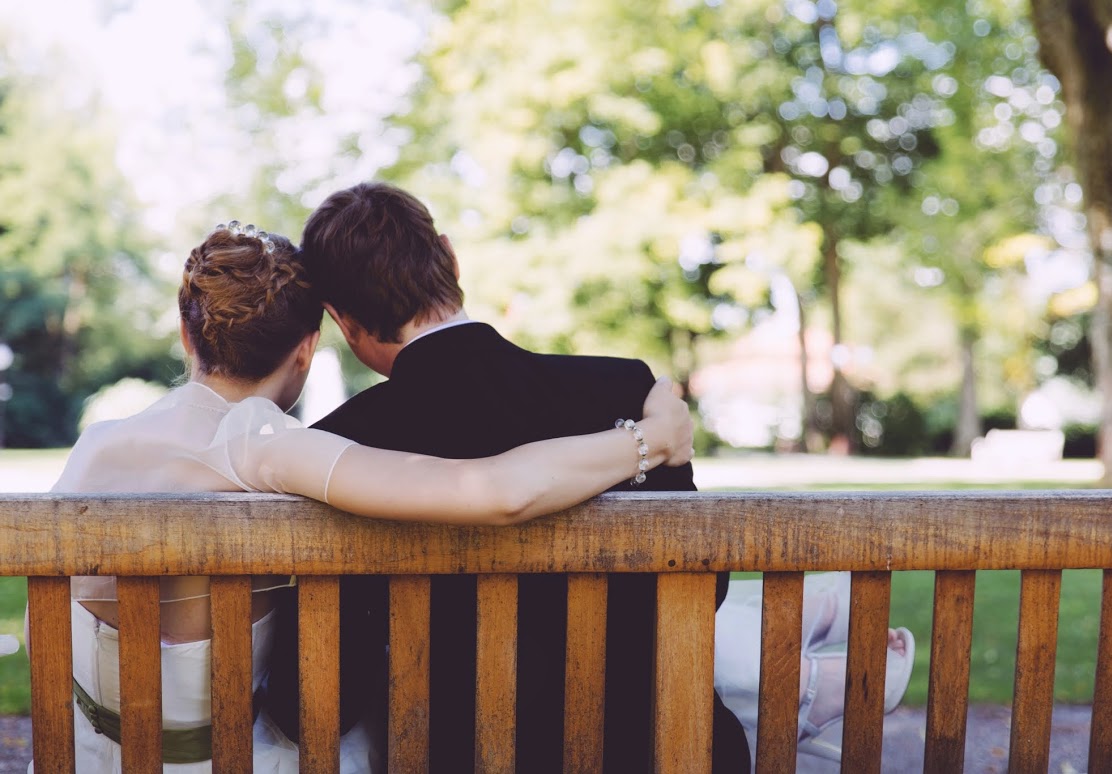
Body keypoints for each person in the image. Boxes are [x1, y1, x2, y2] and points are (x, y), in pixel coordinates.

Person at [286, 181, 914, 772]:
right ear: (450, 258)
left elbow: (315, 700)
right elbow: (705, 590)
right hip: (670, 754)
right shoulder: (625, 389)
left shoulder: (340, 450)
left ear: (343, 321)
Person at [36, 221, 695, 774]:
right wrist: (650, 440)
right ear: (305, 351)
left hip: (86, 754)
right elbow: (498, 490)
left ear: (188, 335)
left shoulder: (98, 445)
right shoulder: (262, 444)